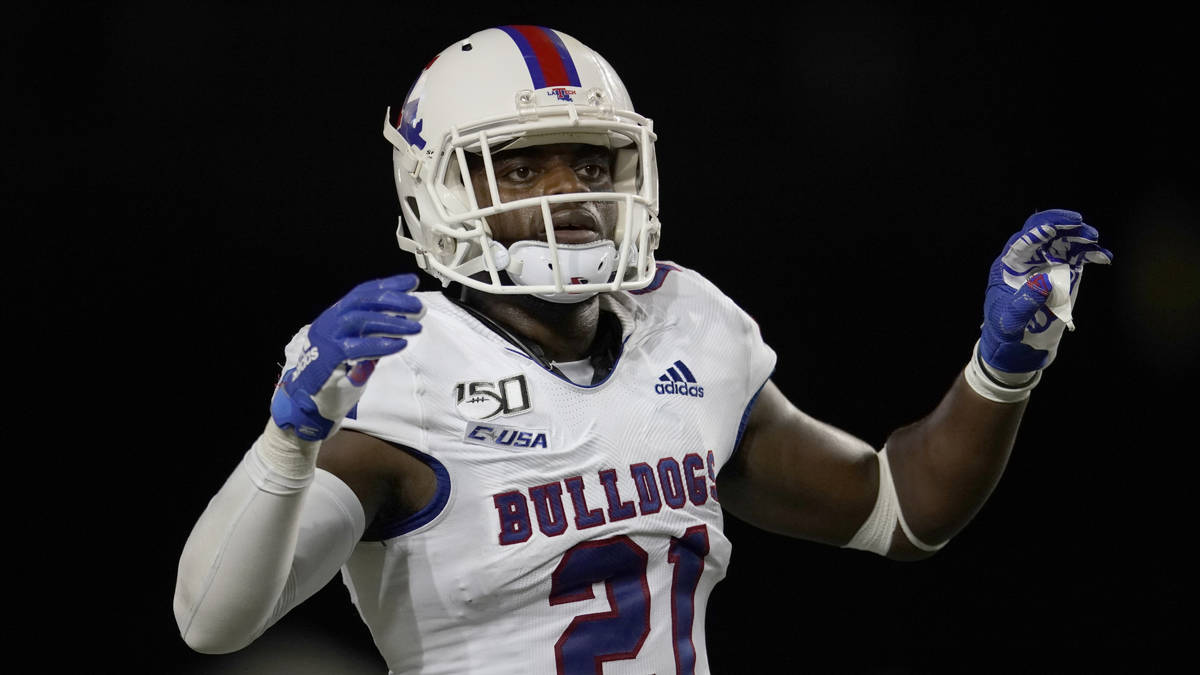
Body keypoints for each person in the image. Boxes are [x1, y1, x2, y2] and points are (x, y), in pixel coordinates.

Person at [173, 25, 1112, 674]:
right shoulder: (396, 368)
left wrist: (1004, 368)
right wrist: (286, 440)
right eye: (520, 163)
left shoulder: (685, 326)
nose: (567, 192)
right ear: (437, 186)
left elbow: (903, 511)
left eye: (589, 161)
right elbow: (214, 621)